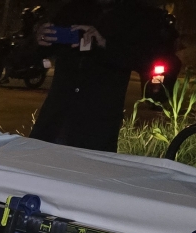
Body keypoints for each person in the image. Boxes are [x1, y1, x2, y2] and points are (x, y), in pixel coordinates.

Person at [30, 0, 158, 153]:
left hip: (96, 125)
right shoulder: (72, 9)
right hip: (55, 119)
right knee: (35, 167)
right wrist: (39, 39)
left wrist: (103, 43)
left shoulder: (136, 15)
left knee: (85, 173)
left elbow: (147, 60)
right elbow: (31, 56)